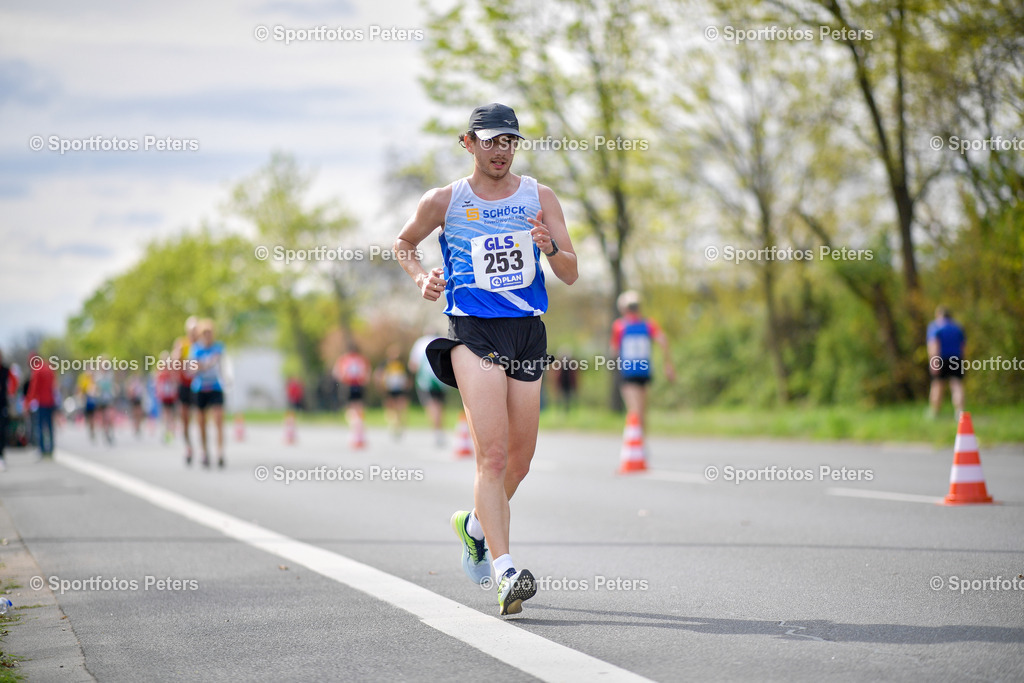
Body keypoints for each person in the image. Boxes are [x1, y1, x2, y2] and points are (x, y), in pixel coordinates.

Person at [394, 103, 578, 616]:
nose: (500, 150)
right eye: (491, 140)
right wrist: (421, 277)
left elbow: (570, 272)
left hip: (527, 332)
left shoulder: (539, 196)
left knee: (521, 460)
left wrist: (550, 248)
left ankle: (474, 527)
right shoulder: (445, 200)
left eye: (509, 141)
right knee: (492, 456)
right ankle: (506, 572)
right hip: (473, 331)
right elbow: (404, 243)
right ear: (468, 142)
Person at [610, 291, 676, 433]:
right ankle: (642, 439)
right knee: (642, 410)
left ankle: (635, 439)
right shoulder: (648, 325)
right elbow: (663, 340)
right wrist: (668, 364)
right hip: (644, 371)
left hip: (628, 372)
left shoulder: (620, 326)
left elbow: (614, 351)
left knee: (634, 410)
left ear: (623, 309)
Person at [190, 319, 226, 468]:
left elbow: (222, 365)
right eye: (204, 333)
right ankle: (204, 451)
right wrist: (206, 365)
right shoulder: (196, 349)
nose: (207, 335)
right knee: (201, 422)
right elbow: (194, 368)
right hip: (200, 388)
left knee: (218, 420)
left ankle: (220, 452)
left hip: (216, 387)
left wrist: (226, 379)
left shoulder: (218, 347)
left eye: (209, 333)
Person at [409, 333, 448, 447]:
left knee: (431, 405)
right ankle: (440, 430)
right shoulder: (441, 340)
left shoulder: (420, 343)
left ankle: (437, 431)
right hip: (441, 380)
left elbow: (413, 365)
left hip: (426, 380)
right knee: (439, 405)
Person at [927, 305, 965, 418]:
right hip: (956, 358)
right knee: (957, 384)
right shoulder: (957, 328)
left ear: (939, 315)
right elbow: (963, 346)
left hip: (941, 358)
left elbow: (934, 345)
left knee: (937, 385)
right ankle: (959, 411)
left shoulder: (935, 327)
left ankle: (934, 412)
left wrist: (934, 361)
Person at [332, 343, 370, 439]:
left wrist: (342, 379)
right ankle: (359, 422)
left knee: (350, 407)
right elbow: (367, 372)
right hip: (359, 385)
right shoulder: (361, 359)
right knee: (359, 406)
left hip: (348, 385)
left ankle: (355, 425)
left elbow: (336, 373)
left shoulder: (343, 359)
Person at [24, 351, 58, 458]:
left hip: (42, 402)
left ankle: (42, 449)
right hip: (51, 401)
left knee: (40, 426)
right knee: (50, 426)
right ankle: (51, 449)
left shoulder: (37, 370)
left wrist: (27, 403)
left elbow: (33, 388)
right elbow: (54, 385)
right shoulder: (49, 367)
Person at [175, 318, 200, 462]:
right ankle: (188, 447)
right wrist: (178, 357)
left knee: (199, 417)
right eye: (192, 330)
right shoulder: (182, 344)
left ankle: (202, 448)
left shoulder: (202, 345)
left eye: (196, 330)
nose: (194, 333)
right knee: (185, 419)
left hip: (198, 385)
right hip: (184, 385)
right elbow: (175, 363)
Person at [377, 344, 410, 440]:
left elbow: (407, 377)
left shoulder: (402, 364)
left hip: (400, 389)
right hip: (389, 389)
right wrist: (381, 386)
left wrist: (407, 386)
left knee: (400, 408)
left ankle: (399, 426)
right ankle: (393, 425)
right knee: (390, 409)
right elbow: (379, 374)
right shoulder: (385, 364)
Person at [154, 351, 179, 443]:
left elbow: (175, 381)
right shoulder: (160, 370)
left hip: (171, 396)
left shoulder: (172, 370)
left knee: (172, 414)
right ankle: (165, 431)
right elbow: (157, 382)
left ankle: (172, 431)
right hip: (164, 396)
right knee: (165, 414)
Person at [0, 350, 10, 472]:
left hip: (2, 404)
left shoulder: (6, 370)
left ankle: (1, 455)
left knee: (2, 430)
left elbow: (13, 383)